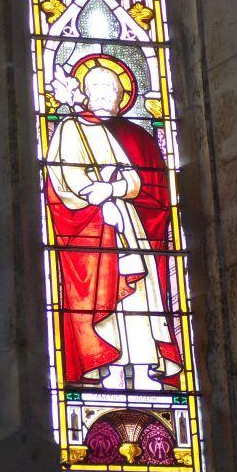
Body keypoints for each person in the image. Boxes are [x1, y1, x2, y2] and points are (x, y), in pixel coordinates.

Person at [45, 64, 183, 390]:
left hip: (126, 227)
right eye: (97, 89)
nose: (105, 95)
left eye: (111, 90)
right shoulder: (70, 129)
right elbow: (62, 176)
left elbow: (136, 179)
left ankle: (146, 367)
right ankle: (113, 369)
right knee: (107, 299)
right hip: (94, 231)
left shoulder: (123, 135)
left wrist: (114, 189)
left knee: (137, 300)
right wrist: (94, 195)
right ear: (86, 94)